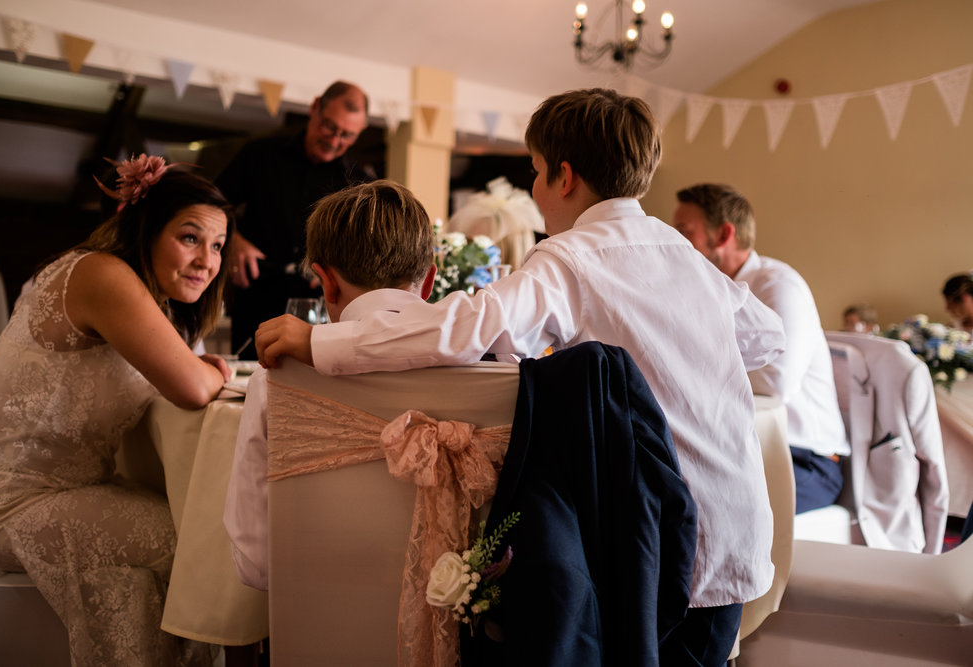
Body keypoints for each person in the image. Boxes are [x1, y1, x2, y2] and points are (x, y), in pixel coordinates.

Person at [256, 88, 787, 666]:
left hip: (658, 531)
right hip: (736, 521)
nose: (533, 191)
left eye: (534, 172)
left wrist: (321, 339)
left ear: (564, 177)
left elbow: (467, 330)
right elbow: (767, 337)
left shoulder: (571, 257)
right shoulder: (685, 255)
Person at [0, 154, 234, 666]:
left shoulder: (132, 290)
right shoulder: (102, 274)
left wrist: (199, 367)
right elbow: (192, 389)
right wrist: (212, 371)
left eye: (219, 245)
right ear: (147, 228)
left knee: (159, 550)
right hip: (3, 500)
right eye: (190, 237)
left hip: (64, 488)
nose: (208, 259)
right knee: (195, 542)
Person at [224, 179, 437, 590]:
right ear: (428, 281)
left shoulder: (277, 382)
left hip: (312, 625)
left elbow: (256, 564)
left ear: (326, 281)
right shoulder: (492, 364)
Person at [673, 182, 849, 515]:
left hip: (802, 460)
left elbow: (775, 382)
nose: (675, 243)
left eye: (684, 231)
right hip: (735, 451)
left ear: (724, 235)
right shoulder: (698, 291)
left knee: (685, 504)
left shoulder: (777, 285)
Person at [216, 80, 372, 359]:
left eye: (347, 135)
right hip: (256, 296)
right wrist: (232, 238)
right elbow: (210, 204)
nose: (335, 141)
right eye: (329, 126)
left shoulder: (360, 184)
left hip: (319, 309)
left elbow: (365, 247)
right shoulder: (258, 155)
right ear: (314, 108)